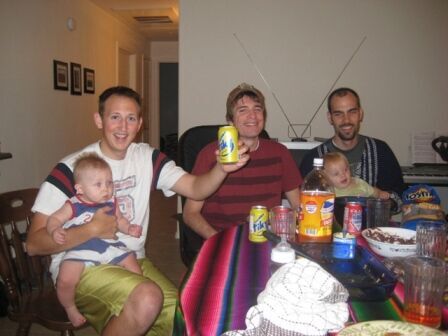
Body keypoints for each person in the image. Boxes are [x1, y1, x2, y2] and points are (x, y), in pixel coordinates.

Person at [26, 86, 249, 336]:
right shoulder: (73, 169)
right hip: (81, 267)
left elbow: (196, 188)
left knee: (184, 319)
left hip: (130, 257)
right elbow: (33, 244)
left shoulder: (148, 158)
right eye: (115, 117)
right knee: (147, 299)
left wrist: (222, 169)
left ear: (139, 123)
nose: (123, 126)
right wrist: (91, 229)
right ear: (99, 119)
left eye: (131, 118)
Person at [182, 83, 302, 239]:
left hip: (267, 239)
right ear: (230, 121)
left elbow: (298, 206)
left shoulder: (280, 153)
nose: (252, 116)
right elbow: (190, 213)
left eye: (257, 109)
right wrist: (217, 240)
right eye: (243, 110)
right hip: (222, 236)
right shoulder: (209, 154)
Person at [47, 153, 143, 327]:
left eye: (109, 183)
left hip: (109, 245)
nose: (106, 189)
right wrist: (55, 229)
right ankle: (70, 307)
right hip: (81, 248)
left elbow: (119, 220)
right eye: (98, 184)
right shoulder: (73, 204)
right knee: (65, 278)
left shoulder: (112, 202)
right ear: (80, 189)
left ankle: (134, 297)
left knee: (133, 262)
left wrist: (129, 228)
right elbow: (54, 219)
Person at [300, 87, 405, 201]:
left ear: (360, 114)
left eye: (352, 112)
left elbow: (399, 195)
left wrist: (381, 201)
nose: (346, 120)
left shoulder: (380, 151)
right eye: (338, 114)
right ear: (330, 118)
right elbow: (303, 202)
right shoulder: (313, 159)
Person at [323, 152, 390, 199]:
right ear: (326, 179)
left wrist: (380, 194)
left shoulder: (359, 183)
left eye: (345, 170)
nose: (343, 175)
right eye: (336, 174)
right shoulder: (328, 192)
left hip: (362, 217)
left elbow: (374, 192)